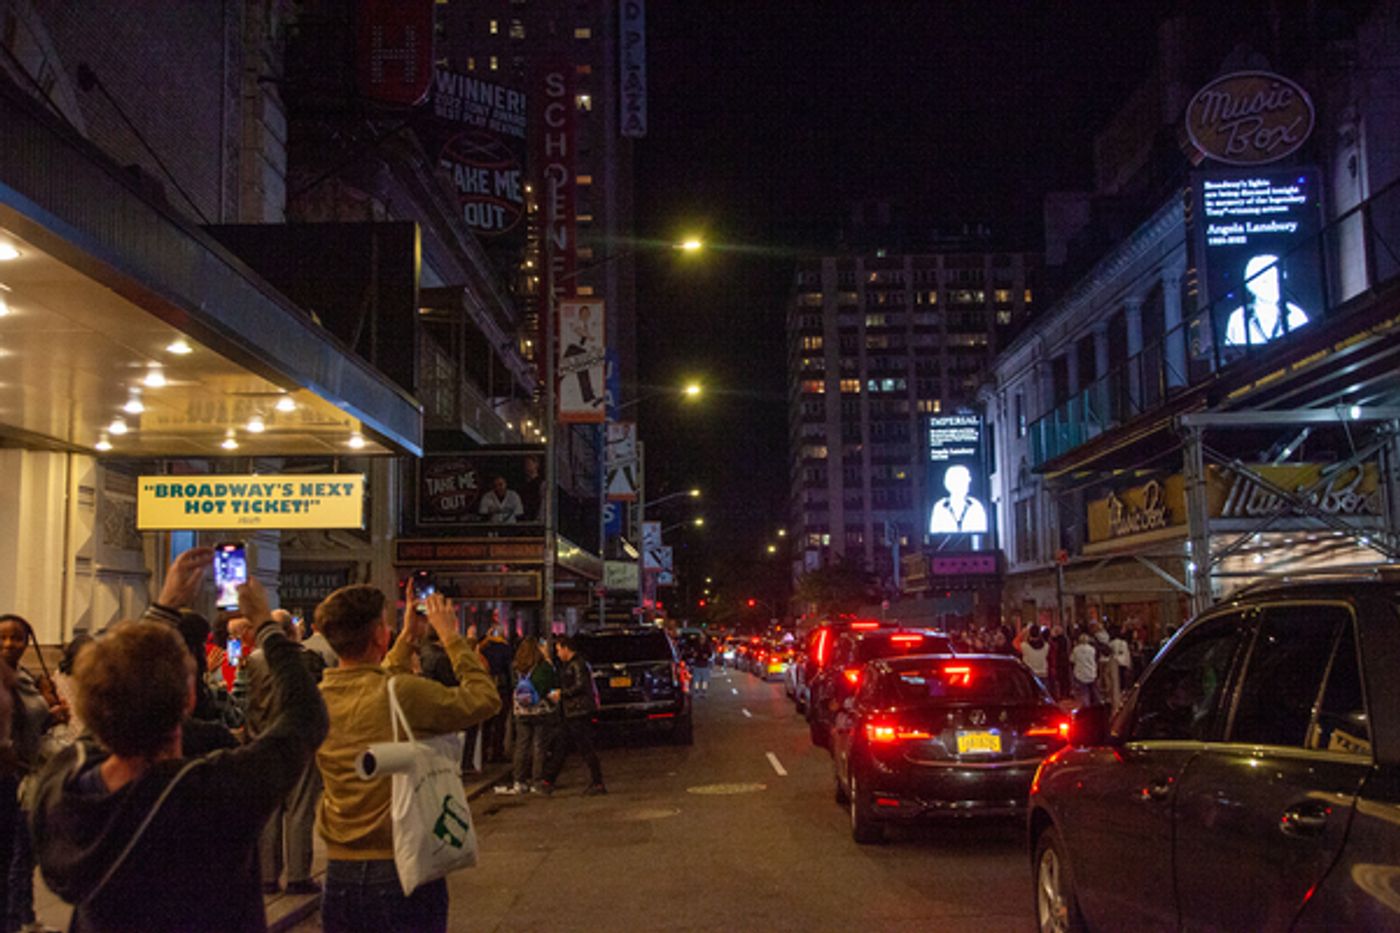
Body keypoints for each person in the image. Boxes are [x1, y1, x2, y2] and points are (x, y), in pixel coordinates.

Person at [31, 546, 328, 933]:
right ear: (189, 699)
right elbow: (305, 716)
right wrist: (266, 626)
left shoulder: (61, 783)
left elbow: (114, 696)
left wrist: (163, 608)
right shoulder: (213, 790)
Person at [313, 582, 500, 933]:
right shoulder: (402, 692)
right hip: (400, 866)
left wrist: (406, 639)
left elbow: (378, 679)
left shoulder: (317, 699)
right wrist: (451, 638)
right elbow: (483, 698)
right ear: (377, 636)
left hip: (339, 870)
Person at [244, 611, 326, 898]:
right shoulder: (305, 659)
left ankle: (267, 875)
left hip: (261, 739)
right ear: (291, 631)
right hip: (297, 741)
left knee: (270, 810)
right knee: (300, 809)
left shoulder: (252, 660)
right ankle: (298, 875)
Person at [0, 614, 66, 933]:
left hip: (23, 775)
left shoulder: (22, 676)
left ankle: (16, 917)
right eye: (2, 638)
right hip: (8, 776)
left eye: (17, 638)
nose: (9, 644)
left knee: (17, 853)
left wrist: (52, 716)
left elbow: (30, 724)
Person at [540, 636, 605, 796]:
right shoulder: (570, 665)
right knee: (562, 745)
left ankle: (598, 782)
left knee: (584, 747)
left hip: (578, 712)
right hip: (571, 712)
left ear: (566, 648)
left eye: (559, 650)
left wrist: (562, 694)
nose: (558, 653)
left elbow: (580, 685)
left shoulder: (577, 664)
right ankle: (548, 780)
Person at [496, 638, 557, 796]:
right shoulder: (544, 667)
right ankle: (537, 781)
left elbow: (513, 686)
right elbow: (550, 686)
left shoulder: (517, 666)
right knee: (539, 746)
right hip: (540, 711)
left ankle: (519, 781)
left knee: (522, 746)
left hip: (520, 711)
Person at [1224, 253, 1309, 347]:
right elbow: (1230, 353)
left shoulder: (1296, 314)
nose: (1273, 286)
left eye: (1276, 280)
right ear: (1252, 285)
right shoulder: (1238, 317)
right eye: (1266, 281)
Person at [477, 624, 514, 764]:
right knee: (500, 723)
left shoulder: (482, 648)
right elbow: (510, 671)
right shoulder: (506, 649)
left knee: (486, 723)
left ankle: (483, 753)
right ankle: (497, 752)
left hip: (485, 687)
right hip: (501, 688)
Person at [928, 464, 988, 534]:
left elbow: (982, 533)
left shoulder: (976, 505)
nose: (969, 481)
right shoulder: (940, 506)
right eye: (964, 478)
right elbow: (935, 534)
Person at [1070, 633, 1101, 708]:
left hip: (1080, 673)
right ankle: (1098, 706)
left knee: (1084, 692)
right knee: (1095, 691)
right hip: (1091, 672)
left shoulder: (1076, 649)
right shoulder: (1092, 649)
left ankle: (1087, 707)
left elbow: (1072, 659)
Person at [1016, 625, 1050, 690]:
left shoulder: (1024, 646)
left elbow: (1015, 643)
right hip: (1042, 673)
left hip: (1030, 674)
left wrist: (1023, 634)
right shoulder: (1046, 646)